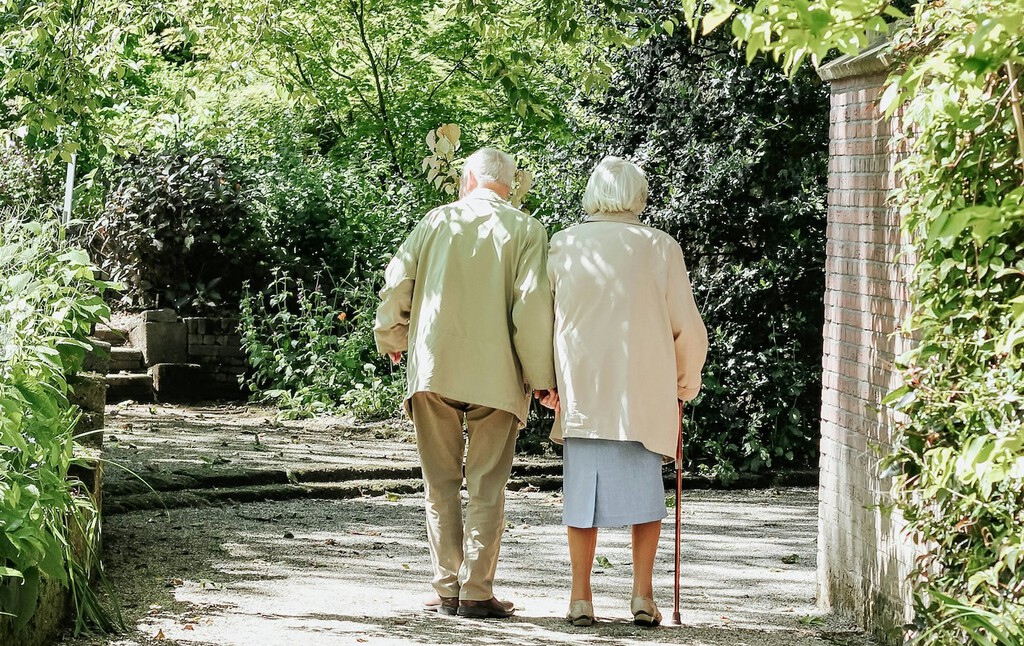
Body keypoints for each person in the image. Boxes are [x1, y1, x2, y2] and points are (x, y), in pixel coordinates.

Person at [374, 147, 557, 619]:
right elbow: (532, 308)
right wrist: (542, 379)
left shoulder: (435, 221)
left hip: (435, 368)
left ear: (468, 179)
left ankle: (446, 588)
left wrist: (392, 335)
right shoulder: (527, 230)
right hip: (497, 376)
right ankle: (476, 591)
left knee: (439, 483)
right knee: (486, 485)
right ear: (510, 185)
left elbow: (398, 284)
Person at [542, 155, 708, 627]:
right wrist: (684, 382)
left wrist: (546, 382)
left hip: (584, 389)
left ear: (593, 193)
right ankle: (641, 595)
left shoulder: (564, 244)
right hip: (643, 391)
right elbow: (688, 329)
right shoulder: (660, 248)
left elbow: (543, 321)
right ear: (639, 196)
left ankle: (580, 597)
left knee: (580, 497)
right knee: (645, 497)